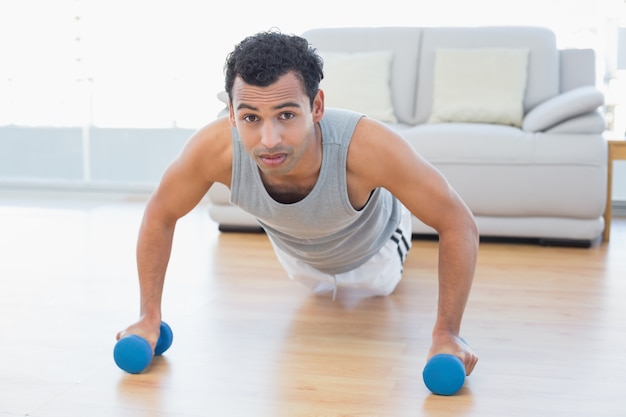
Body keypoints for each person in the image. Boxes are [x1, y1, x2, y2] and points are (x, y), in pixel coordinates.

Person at [117, 31, 479, 377]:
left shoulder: (368, 147)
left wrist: (447, 333)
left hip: (376, 255)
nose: (269, 139)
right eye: (250, 118)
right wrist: (149, 315)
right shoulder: (214, 150)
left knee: (376, 286)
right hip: (298, 258)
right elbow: (160, 214)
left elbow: (457, 222)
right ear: (231, 112)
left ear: (317, 105)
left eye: (286, 115)